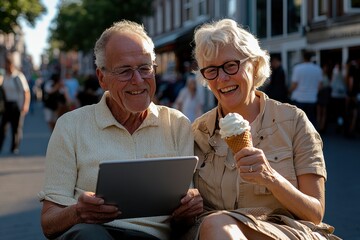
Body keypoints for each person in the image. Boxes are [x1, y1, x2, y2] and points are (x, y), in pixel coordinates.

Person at [38, 20, 203, 240]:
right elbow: (49, 223)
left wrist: (189, 209)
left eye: (145, 69)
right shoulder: (71, 126)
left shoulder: (177, 124)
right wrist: (78, 212)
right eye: (125, 71)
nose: (137, 81)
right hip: (91, 234)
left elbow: (184, 221)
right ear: (101, 78)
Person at [186, 18, 340, 239]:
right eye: (211, 70)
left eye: (231, 65)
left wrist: (271, 177)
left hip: (286, 232)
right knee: (215, 224)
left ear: (255, 64)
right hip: (217, 231)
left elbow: (315, 213)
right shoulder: (198, 132)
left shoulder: (293, 121)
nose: (221, 78)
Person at [0, 53, 31, 154]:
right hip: (7, 104)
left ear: (11, 65)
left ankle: (14, 147)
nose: (6, 66)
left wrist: (25, 105)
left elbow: (26, 92)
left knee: (16, 127)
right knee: (3, 127)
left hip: (17, 105)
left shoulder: (18, 76)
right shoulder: (4, 76)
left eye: (7, 64)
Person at [289, 50, 323, 127]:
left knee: (299, 123)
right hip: (312, 99)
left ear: (303, 58)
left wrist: (289, 92)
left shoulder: (297, 68)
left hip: (299, 98)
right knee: (310, 122)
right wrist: (314, 91)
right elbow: (320, 85)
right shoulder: (317, 69)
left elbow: (294, 85)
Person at [317, 64, 332, 133]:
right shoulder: (319, 76)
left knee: (324, 112)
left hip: (325, 94)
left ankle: (322, 127)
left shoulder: (327, 76)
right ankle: (319, 126)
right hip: (320, 94)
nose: (325, 70)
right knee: (319, 112)